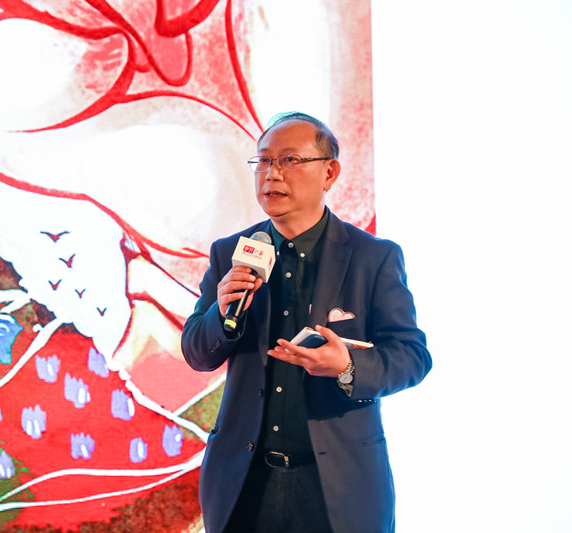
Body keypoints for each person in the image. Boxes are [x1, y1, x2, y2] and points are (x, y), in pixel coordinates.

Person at [181, 112, 431, 533]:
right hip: (245, 485)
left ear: (329, 172)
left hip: (339, 488)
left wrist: (347, 366)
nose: (272, 173)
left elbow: (411, 357)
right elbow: (196, 352)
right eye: (264, 160)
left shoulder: (373, 258)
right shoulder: (231, 252)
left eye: (290, 160)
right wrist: (220, 314)